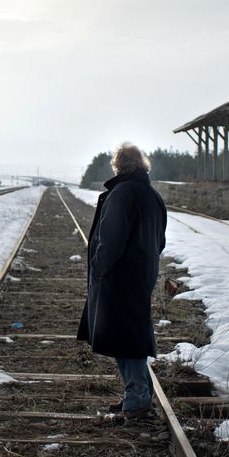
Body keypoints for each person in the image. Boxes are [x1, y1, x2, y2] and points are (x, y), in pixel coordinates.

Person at [76, 142, 167, 424]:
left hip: (119, 277)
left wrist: (99, 268)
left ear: (118, 166)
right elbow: (160, 240)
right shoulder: (151, 195)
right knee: (128, 337)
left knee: (127, 341)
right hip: (139, 275)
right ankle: (135, 396)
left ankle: (138, 401)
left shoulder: (122, 193)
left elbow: (111, 240)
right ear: (143, 165)